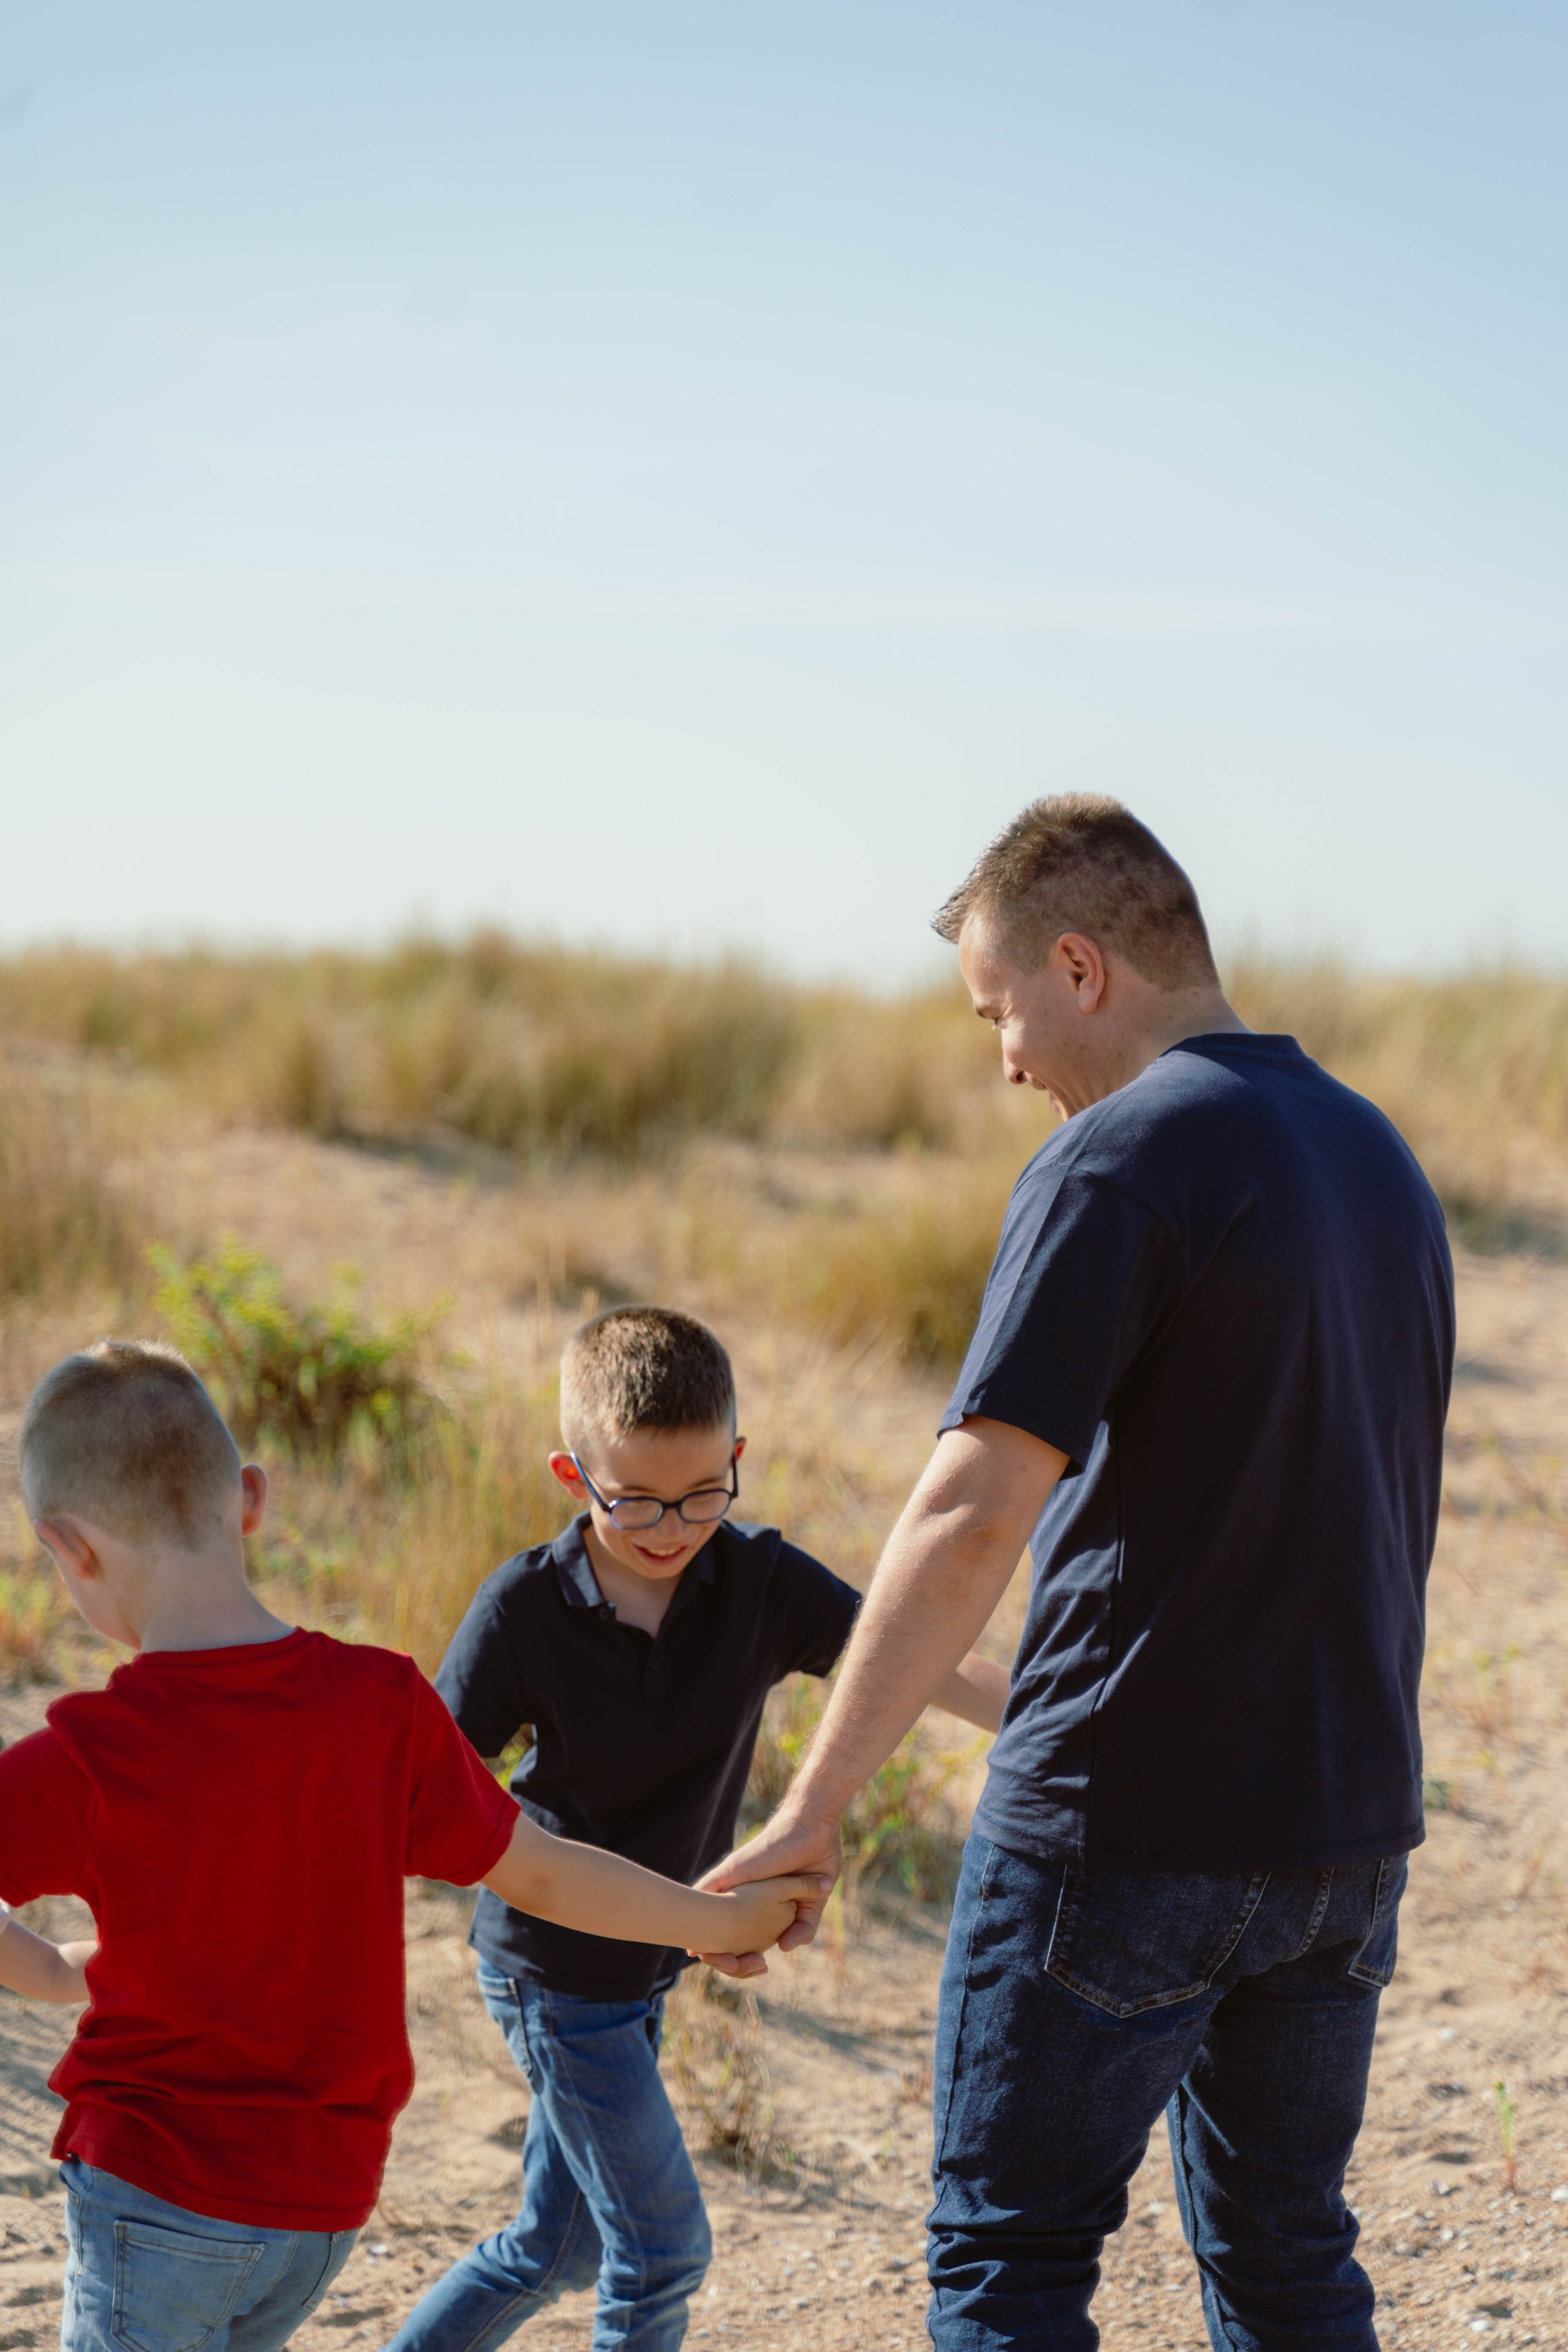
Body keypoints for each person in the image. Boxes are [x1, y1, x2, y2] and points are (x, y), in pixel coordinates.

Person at [707, 795, 1455, 2352]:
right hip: (1342, 1826)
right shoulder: (1374, 1154)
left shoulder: (1118, 1158)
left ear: (1078, 965)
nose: (1001, 1059)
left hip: (1125, 1835)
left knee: (1010, 2265)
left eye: (999, 1010)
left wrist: (809, 1809)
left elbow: (971, 1509)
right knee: (1286, 2260)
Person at [0, 1340, 815, 2352]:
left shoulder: (93, 1754)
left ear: (68, 1549)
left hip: (156, 2193)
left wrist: (39, 1966)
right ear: (249, 1499)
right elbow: (545, 1870)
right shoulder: (382, 1705)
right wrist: (718, 1918)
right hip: (319, 2211)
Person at [388, 1304, 1007, 2352]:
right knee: (662, 2249)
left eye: (704, 1494)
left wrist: (1062, 1714)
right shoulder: (522, 1611)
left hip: (648, 1966)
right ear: (569, 1475)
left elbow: (913, 1650)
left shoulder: (759, 1580)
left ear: (737, 1456)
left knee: (559, 2246)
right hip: (550, 1968)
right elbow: (429, 1790)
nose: (673, 1527)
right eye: (637, 1503)